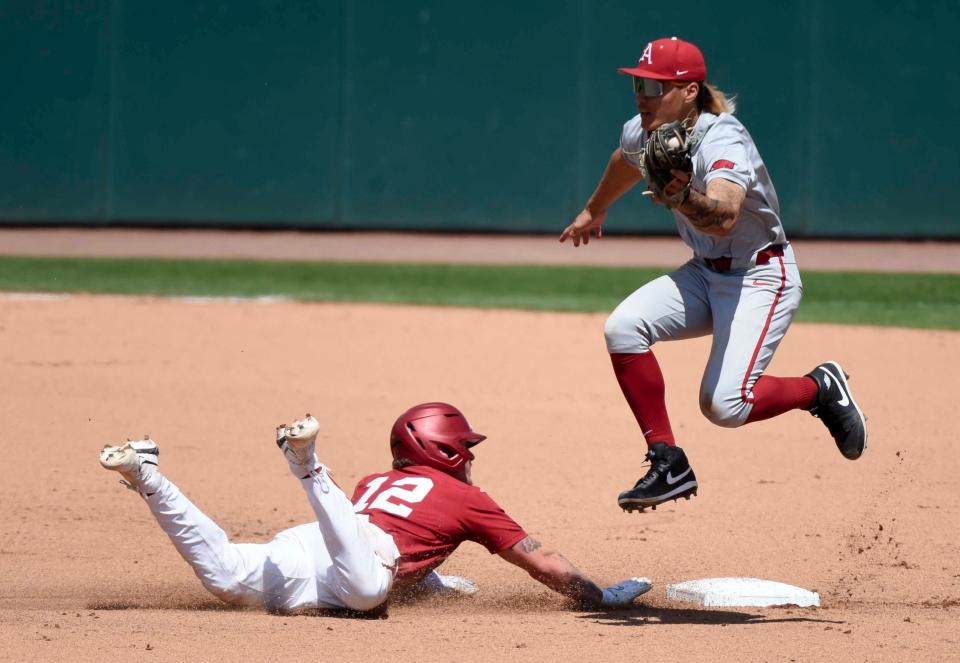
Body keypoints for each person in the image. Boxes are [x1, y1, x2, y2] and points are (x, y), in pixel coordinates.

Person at [559, 37, 867, 513]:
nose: (642, 95)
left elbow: (724, 216)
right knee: (623, 328)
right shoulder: (646, 130)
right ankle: (667, 460)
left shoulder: (722, 137)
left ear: (688, 91)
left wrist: (680, 197)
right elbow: (625, 160)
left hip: (762, 275)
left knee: (725, 406)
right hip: (705, 273)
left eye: (654, 86)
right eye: (638, 84)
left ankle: (819, 388)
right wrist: (593, 210)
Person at [98, 402, 651, 614]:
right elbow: (544, 562)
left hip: (313, 545)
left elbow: (409, 542)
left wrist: (432, 585)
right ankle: (307, 465)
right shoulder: (467, 498)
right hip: (357, 559)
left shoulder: (376, 480)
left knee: (221, 572)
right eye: (466, 447)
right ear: (447, 449)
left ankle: (147, 475)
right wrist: (602, 596)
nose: (470, 458)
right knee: (367, 592)